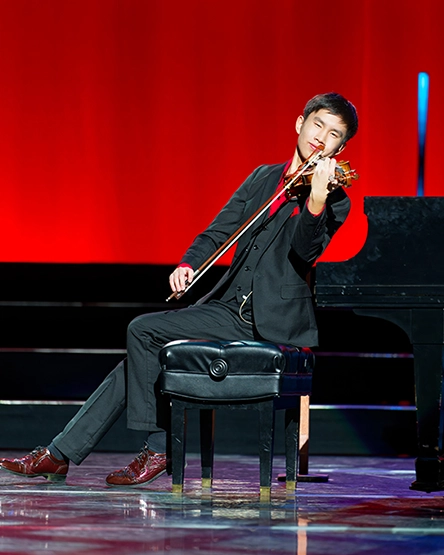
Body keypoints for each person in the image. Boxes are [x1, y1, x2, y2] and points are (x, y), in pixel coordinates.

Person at [0, 92, 358, 486]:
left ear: (342, 147)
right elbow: (219, 230)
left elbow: (305, 252)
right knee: (138, 358)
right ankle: (61, 454)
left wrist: (317, 200)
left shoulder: (334, 199)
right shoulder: (262, 178)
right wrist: (188, 264)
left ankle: (153, 447)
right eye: (318, 124)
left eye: (335, 134)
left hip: (270, 321)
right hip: (226, 308)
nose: (322, 137)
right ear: (300, 123)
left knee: (142, 330)